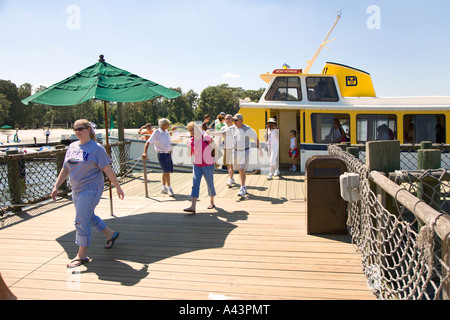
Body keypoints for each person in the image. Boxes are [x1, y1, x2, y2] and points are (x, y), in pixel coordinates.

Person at [51, 119, 124, 269]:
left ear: (89, 129)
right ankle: (110, 234)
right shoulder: (72, 146)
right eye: (75, 129)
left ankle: (81, 256)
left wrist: (117, 187)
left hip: (91, 189)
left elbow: (108, 169)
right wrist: (56, 186)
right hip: (76, 189)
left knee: (80, 220)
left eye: (81, 128)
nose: (78, 131)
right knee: (88, 216)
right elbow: (65, 169)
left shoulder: (96, 148)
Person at [183, 122, 217, 213]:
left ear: (197, 129)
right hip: (197, 165)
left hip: (208, 165)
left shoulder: (205, 137)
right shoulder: (191, 141)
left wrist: (216, 161)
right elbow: (189, 154)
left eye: (193, 129)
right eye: (190, 130)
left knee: (210, 183)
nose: (192, 131)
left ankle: (212, 202)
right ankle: (193, 206)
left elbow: (215, 148)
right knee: (195, 184)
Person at [142, 118, 174, 197]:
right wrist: (144, 152)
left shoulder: (166, 132)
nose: (168, 125)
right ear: (163, 125)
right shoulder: (156, 132)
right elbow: (148, 142)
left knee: (166, 171)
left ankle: (163, 187)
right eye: (167, 124)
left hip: (168, 154)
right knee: (166, 171)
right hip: (161, 154)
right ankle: (169, 188)